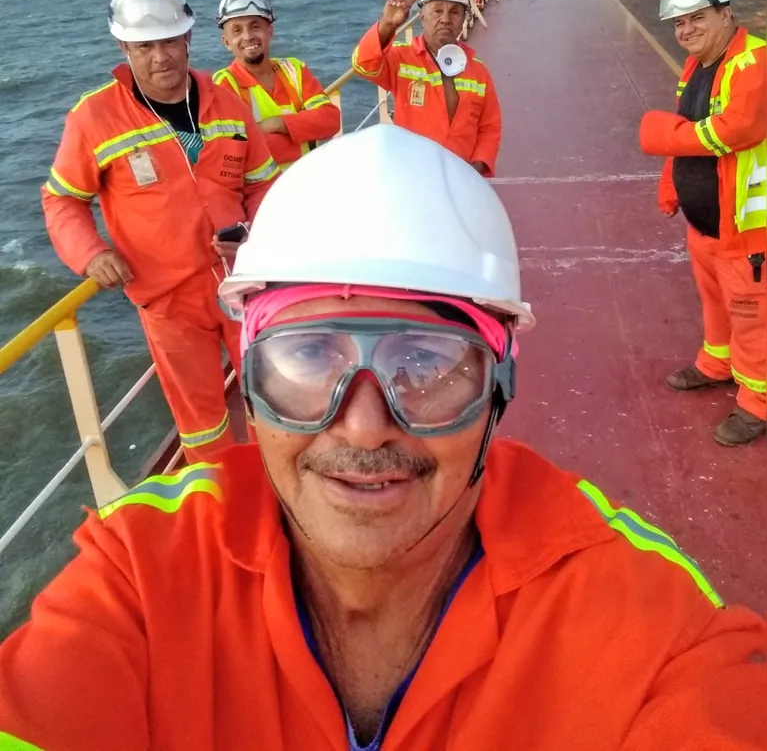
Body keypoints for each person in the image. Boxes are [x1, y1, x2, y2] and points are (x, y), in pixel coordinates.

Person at [6, 124, 765, 750]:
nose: (364, 427)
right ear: (249, 372)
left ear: (498, 385)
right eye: (308, 357)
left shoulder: (643, 626)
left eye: (425, 364)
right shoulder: (142, 573)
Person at [41, 0, 280, 462]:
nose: (160, 57)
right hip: (167, 299)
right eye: (144, 46)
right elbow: (62, 200)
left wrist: (253, 233)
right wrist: (90, 254)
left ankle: (277, 490)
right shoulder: (93, 119)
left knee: (270, 398)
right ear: (122, 47)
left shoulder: (227, 101)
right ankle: (218, 506)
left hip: (244, 282)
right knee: (201, 422)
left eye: (170, 41)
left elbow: (261, 183)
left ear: (188, 36)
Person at [639, 0, 767, 446]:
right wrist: (671, 184)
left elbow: (733, 130)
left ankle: (757, 404)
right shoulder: (698, 66)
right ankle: (717, 363)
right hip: (706, 223)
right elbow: (688, 124)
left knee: (753, 316)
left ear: (727, 12)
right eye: (678, 23)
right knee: (715, 304)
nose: (686, 30)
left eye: (697, 18)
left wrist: (657, 135)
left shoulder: (754, 63)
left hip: (747, 231)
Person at [350, 0, 502, 176]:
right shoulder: (402, 59)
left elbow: (490, 127)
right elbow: (363, 64)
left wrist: (476, 168)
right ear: (422, 16)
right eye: (437, 11)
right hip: (413, 180)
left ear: (465, 18)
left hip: (462, 179)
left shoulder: (478, 71)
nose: (445, 19)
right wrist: (387, 25)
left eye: (455, 12)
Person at [213, 0, 340, 170]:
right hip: (262, 194)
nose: (248, 36)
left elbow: (330, 120)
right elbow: (238, 151)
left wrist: (275, 124)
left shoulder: (294, 69)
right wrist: (303, 134)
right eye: (237, 31)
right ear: (226, 42)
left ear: (269, 31)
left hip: (309, 180)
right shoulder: (224, 84)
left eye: (255, 26)